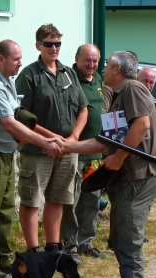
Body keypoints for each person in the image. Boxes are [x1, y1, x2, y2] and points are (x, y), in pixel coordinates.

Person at [59, 51, 156, 278]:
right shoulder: (119, 94)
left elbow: (141, 125)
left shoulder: (132, 87)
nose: (102, 70)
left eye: (106, 66)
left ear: (117, 69)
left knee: (129, 242)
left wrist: (118, 157)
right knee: (119, 239)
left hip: (139, 178)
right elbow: (106, 142)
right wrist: (66, 146)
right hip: (127, 180)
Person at [0, 40, 61, 278]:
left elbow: (17, 115)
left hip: (7, 152)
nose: (21, 63)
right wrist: (43, 143)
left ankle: (2, 258)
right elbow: (9, 123)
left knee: (5, 210)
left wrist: (36, 135)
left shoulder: (7, 78)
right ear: (1, 59)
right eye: (16, 59)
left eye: (21, 58)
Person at [15, 24, 88, 253]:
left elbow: (83, 108)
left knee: (57, 199)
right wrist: (50, 139)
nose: (54, 48)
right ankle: (33, 250)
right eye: (49, 44)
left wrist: (73, 138)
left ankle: (53, 247)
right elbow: (21, 115)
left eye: (57, 43)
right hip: (39, 150)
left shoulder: (69, 73)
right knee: (32, 200)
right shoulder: (29, 74)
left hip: (67, 149)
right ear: (38, 45)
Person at [60, 44, 108, 264]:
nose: (91, 65)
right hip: (76, 151)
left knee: (92, 198)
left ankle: (86, 242)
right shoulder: (68, 78)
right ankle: (70, 243)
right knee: (72, 199)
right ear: (76, 58)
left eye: (95, 61)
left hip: (96, 152)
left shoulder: (99, 80)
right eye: (87, 60)